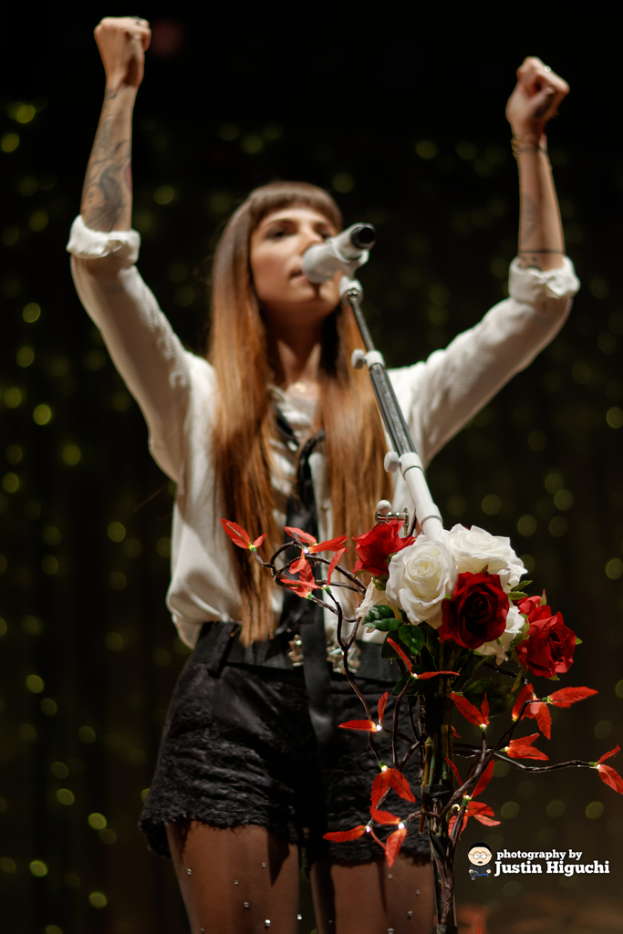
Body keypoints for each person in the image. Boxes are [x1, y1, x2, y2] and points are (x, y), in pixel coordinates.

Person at [67, 16, 578, 934]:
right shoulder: (193, 395)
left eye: (325, 229)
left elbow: (535, 306)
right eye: (282, 229)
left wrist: (527, 145)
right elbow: (103, 265)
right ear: (244, 266)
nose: (311, 241)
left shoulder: (399, 397)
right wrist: (120, 92)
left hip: (372, 691)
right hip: (233, 690)